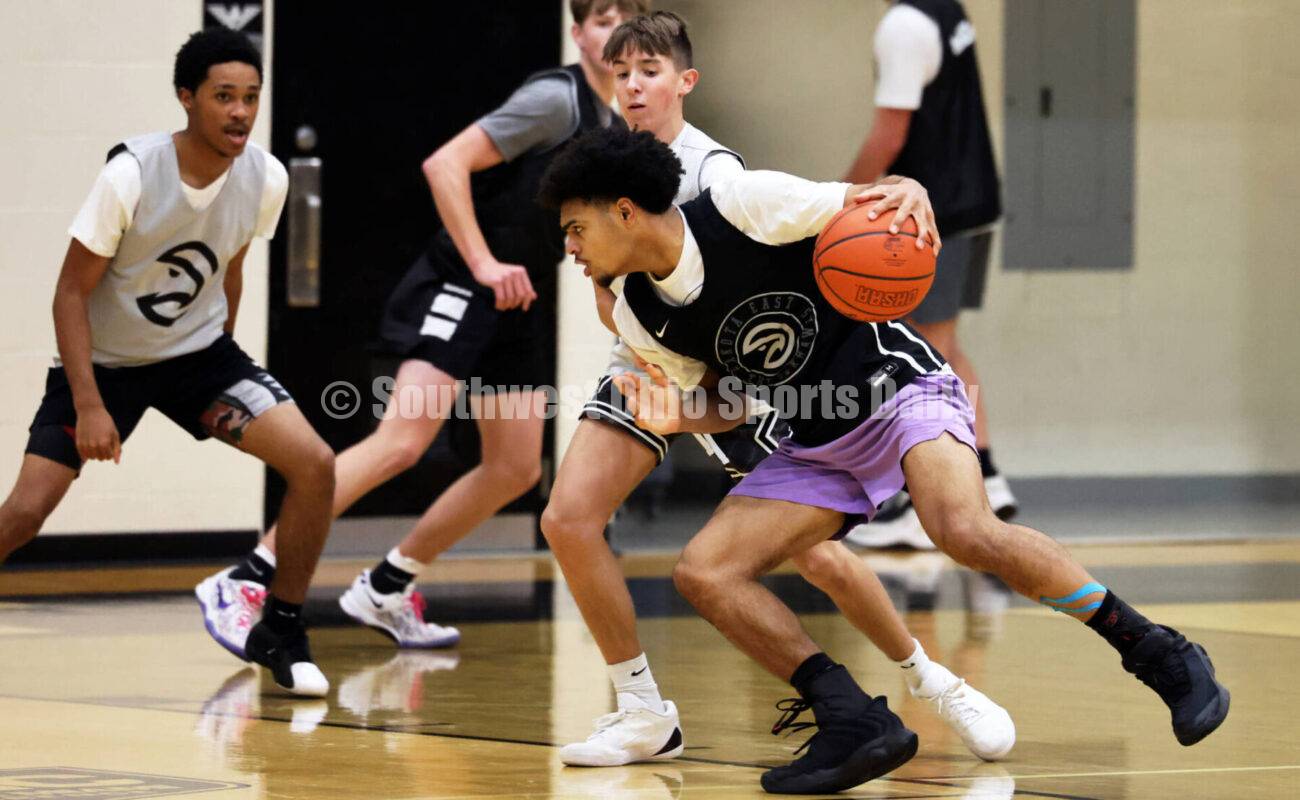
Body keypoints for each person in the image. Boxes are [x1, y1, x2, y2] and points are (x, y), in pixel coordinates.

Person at [538, 127, 1230, 794]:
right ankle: (853, 720)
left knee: (961, 528)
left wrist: (910, 188)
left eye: (575, 228)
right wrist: (679, 416)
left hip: (898, 388)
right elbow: (733, 401)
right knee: (705, 572)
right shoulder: (638, 314)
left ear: (624, 211)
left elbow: (879, 201)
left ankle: (1158, 651)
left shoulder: (742, 205)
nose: (570, 248)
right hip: (817, 435)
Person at [546, 11, 1012, 769]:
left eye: (648, 71)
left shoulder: (713, 173)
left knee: (817, 554)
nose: (632, 85)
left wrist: (899, 189)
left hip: (747, 372)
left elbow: (799, 245)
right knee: (568, 517)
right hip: (650, 360)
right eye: (621, 70)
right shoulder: (598, 162)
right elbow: (608, 293)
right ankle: (642, 711)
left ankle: (932, 679)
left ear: (683, 82)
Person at [193, 0, 647, 656]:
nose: (616, 34)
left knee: (515, 467)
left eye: (628, 21)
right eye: (604, 19)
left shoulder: (614, 119)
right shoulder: (556, 99)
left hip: (519, 294)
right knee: (402, 442)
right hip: (465, 280)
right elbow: (445, 165)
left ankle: (387, 585)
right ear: (578, 34)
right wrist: (483, 263)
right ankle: (248, 576)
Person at [0, 29, 333, 697]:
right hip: (104, 366)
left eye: (251, 98)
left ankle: (281, 628)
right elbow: (70, 294)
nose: (240, 112)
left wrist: (227, 365)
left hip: (200, 360)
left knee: (316, 464)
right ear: (186, 97)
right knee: (26, 513)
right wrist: (90, 404)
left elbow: (231, 265)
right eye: (224, 97)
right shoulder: (131, 174)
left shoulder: (266, 176)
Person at [844, 0, 1014, 549]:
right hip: (975, 201)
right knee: (944, 345)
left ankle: (927, 502)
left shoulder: (904, 25)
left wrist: (839, 201)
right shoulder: (946, 8)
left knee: (922, 359)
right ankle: (986, 475)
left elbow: (889, 135)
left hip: (934, 215)